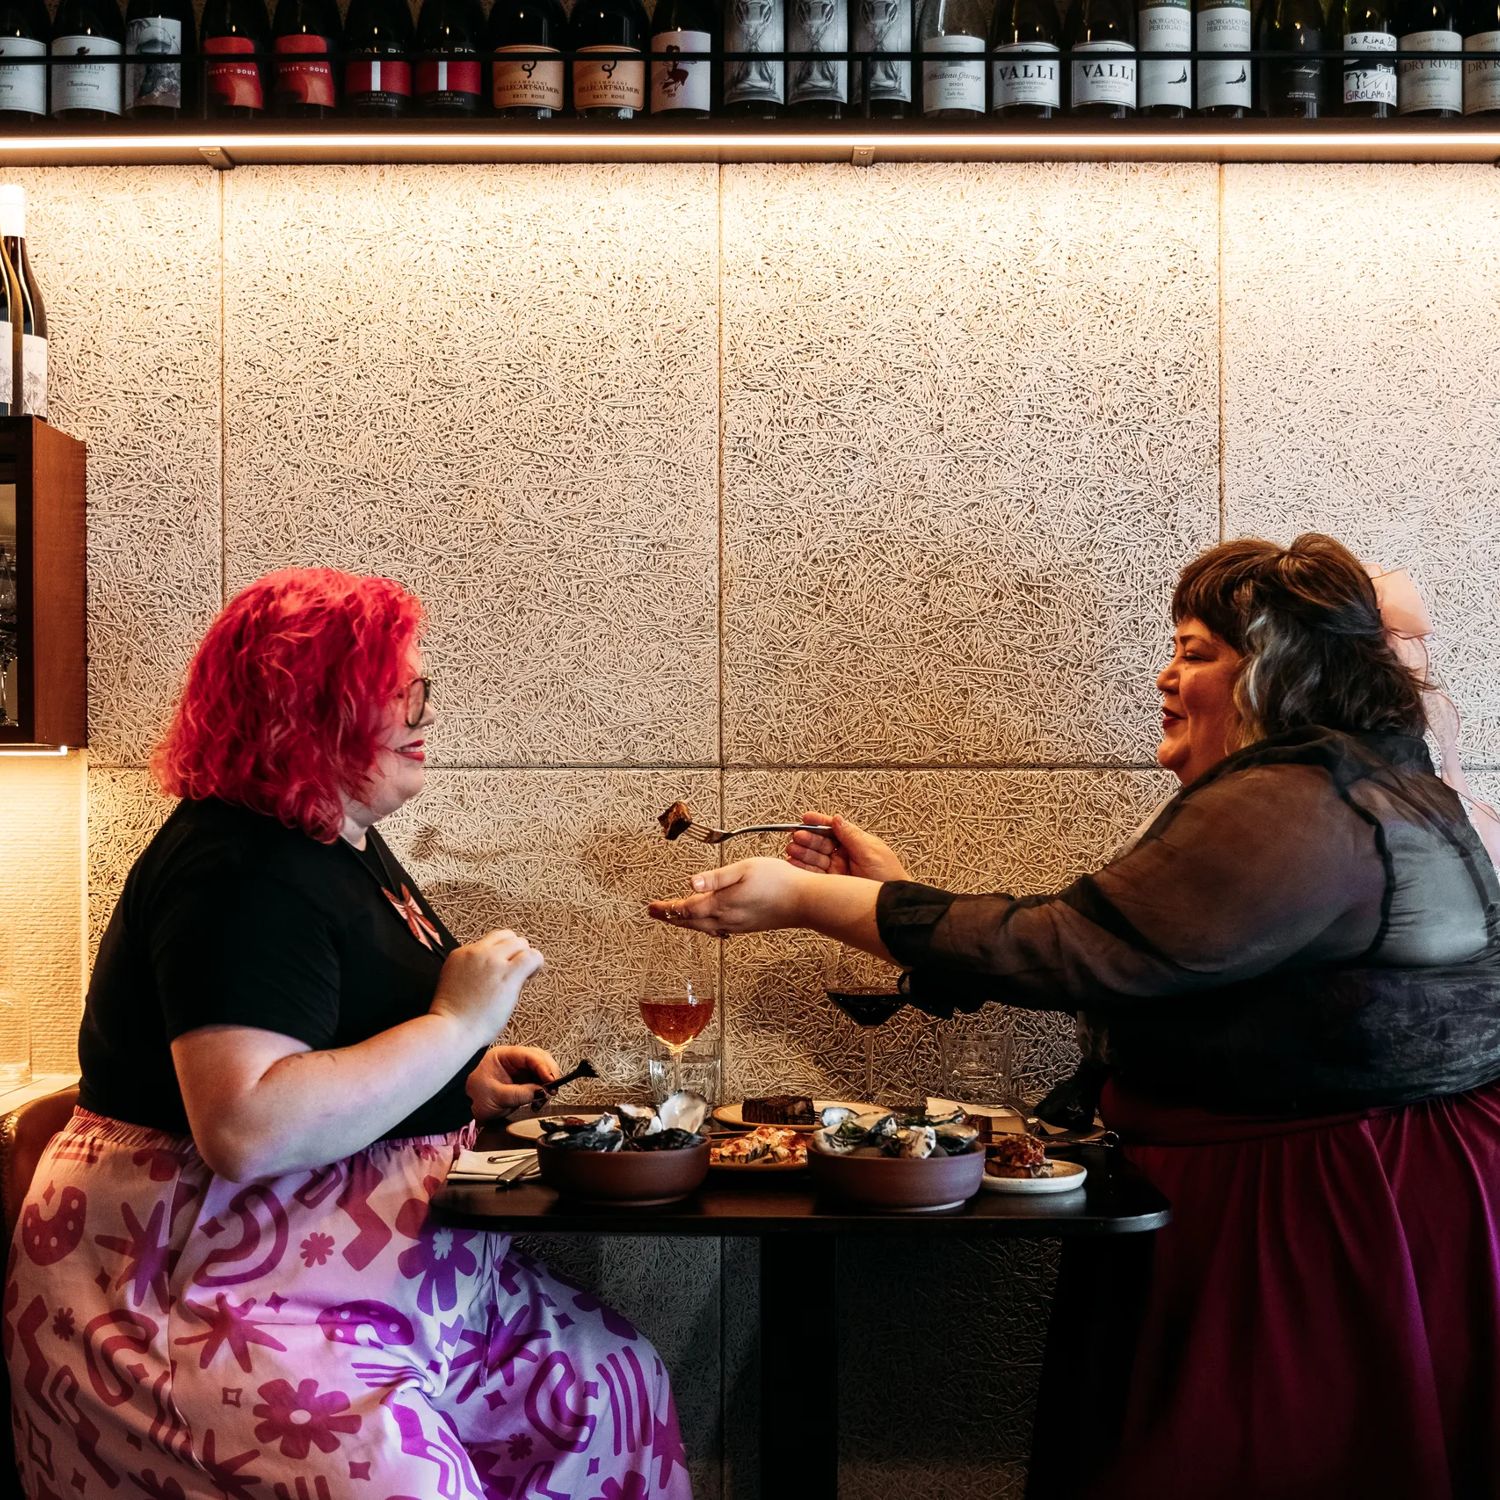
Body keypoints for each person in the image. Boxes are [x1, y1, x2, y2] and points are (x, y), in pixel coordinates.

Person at [650, 534, 1500, 1499]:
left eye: (1194, 653)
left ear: (1275, 668)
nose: (1164, 678)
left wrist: (814, 901)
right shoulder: (1354, 787)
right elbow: (1116, 948)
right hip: (1296, 1176)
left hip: (1319, 1199)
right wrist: (893, 900)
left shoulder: (1296, 799)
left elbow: (1073, 950)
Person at [6, 568, 692, 1500]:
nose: (424, 713)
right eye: (394, 692)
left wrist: (461, 1075)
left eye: (420, 688)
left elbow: (340, 1040)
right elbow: (248, 1128)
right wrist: (456, 1022)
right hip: (217, 1299)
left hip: (383, 1285)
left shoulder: (338, 837)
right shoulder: (238, 865)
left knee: (606, 1386)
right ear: (306, 709)